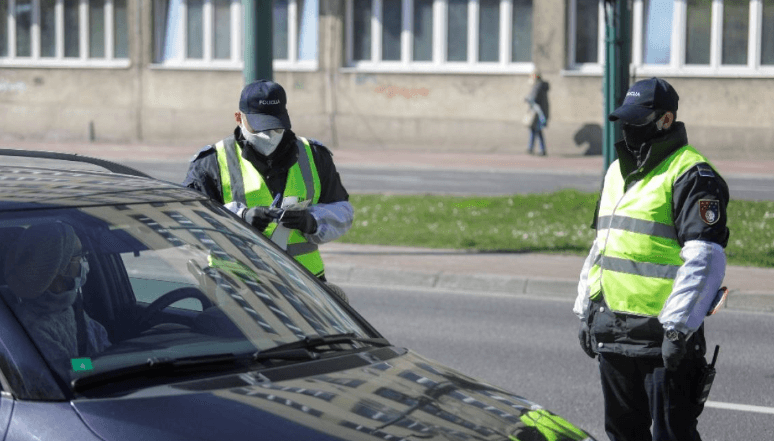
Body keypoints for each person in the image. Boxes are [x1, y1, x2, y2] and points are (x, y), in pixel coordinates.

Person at [573, 77, 730, 441]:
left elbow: (704, 258)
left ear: (665, 119)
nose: (629, 128)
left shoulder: (692, 174)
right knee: (622, 434)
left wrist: (677, 328)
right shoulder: (617, 171)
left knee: (671, 435)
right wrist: (586, 309)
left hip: (662, 338)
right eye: (625, 120)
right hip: (613, 331)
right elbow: (604, 245)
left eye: (637, 120)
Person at [183, 79, 353, 281]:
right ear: (239, 118)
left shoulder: (314, 155)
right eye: (259, 128)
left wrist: (313, 221)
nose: (269, 135)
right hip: (236, 284)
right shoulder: (210, 163)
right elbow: (190, 223)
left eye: (276, 127)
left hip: (306, 284)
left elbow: (343, 212)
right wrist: (239, 218)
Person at [2, 222, 111, 372]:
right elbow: (67, 368)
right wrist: (104, 363)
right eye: (79, 256)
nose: (84, 262)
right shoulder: (33, 327)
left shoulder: (68, 307)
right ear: (60, 267)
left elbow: (101, 344)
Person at [524, 71, 550, 156]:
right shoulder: (542, 86)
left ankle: (540, 149)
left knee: (537, 130)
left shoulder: (537, 86)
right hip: (541, 112)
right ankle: (531, 148)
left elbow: (533, 98)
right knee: (535, 130)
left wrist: (527, 98)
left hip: (537, 113)